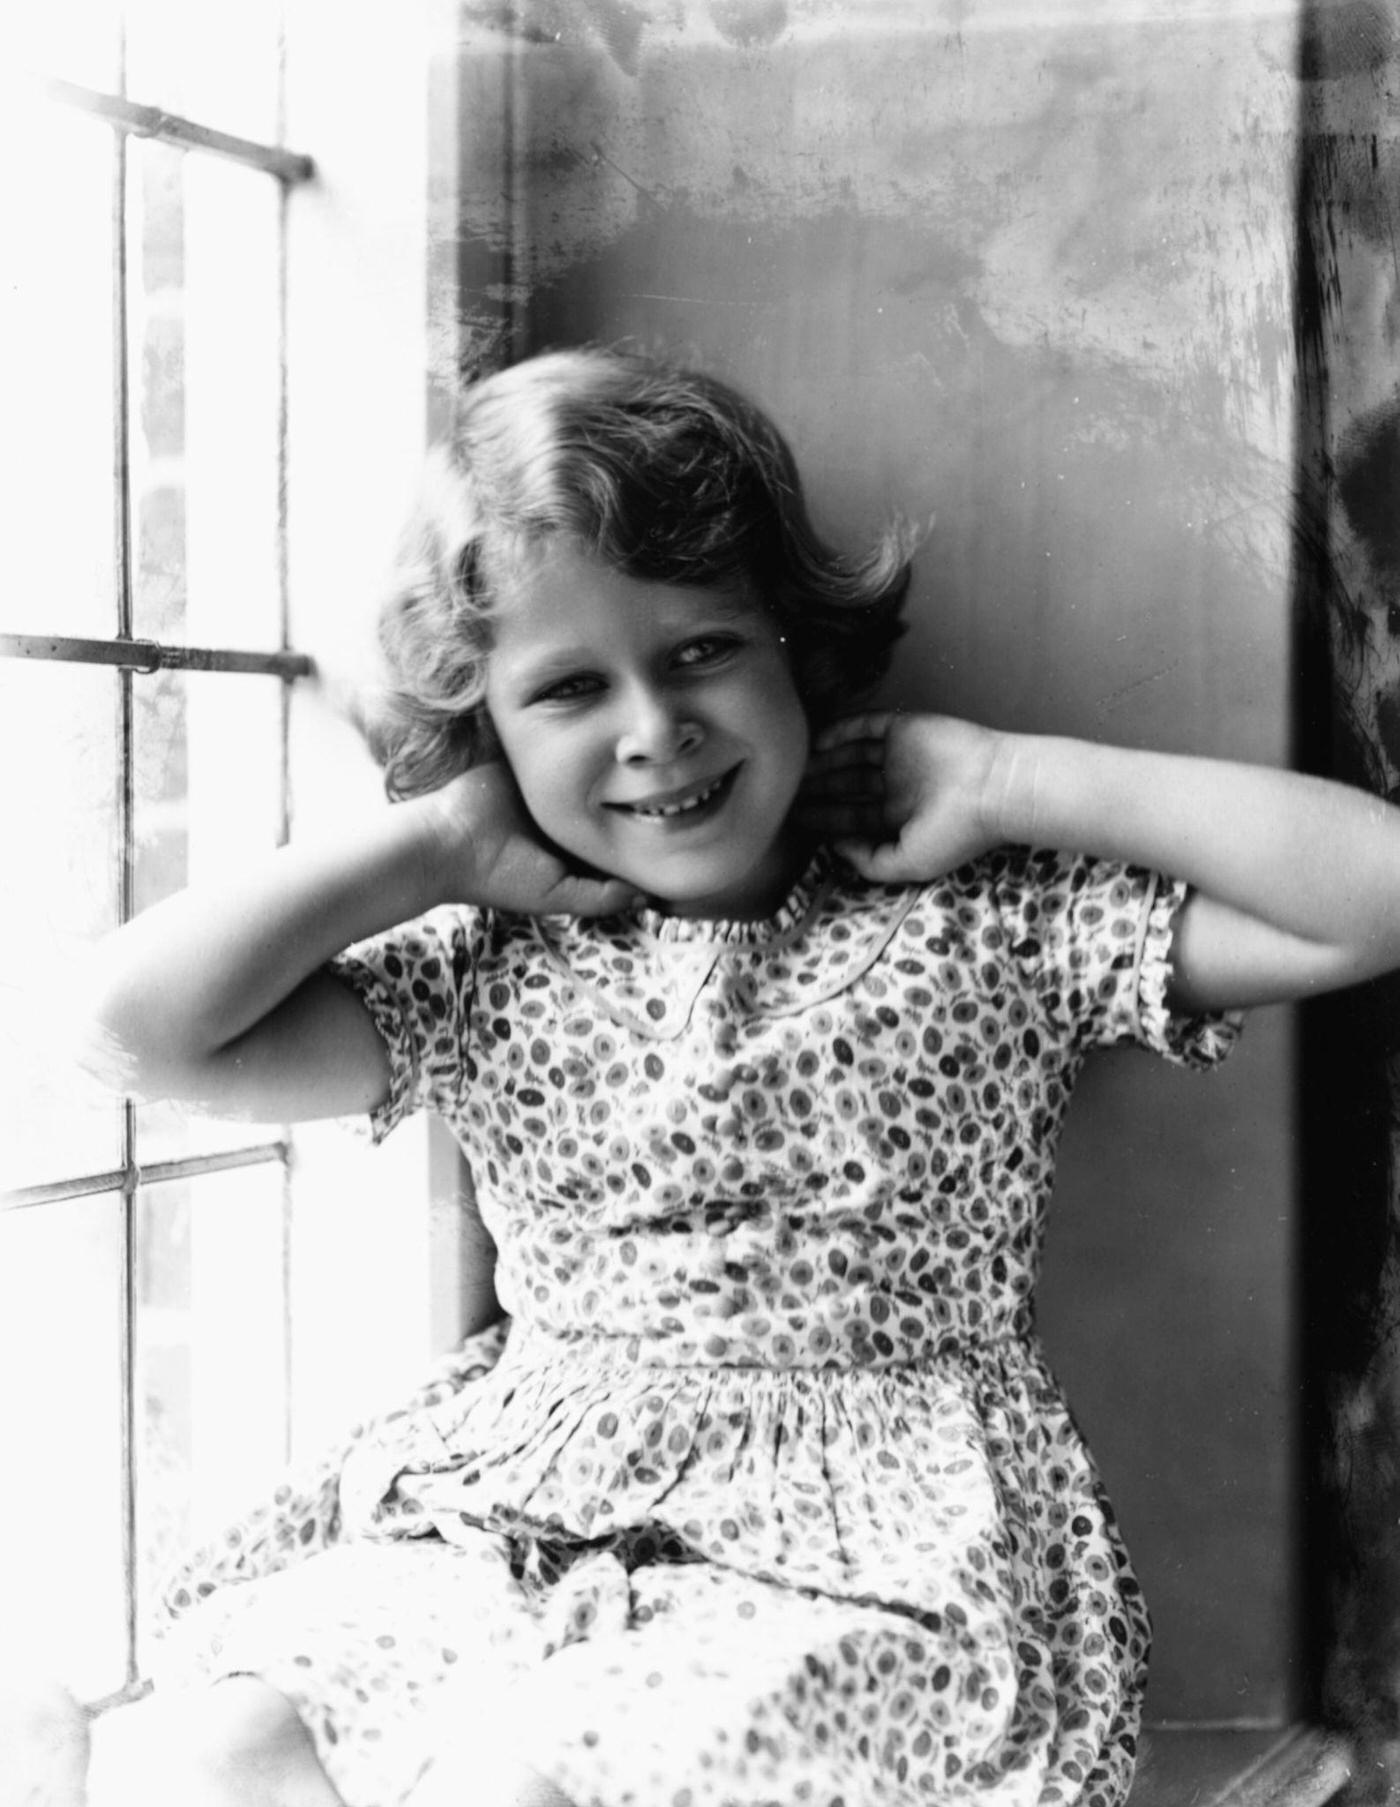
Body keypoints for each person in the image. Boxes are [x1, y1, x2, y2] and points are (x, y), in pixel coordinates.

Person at [54, 347, 1400, 1807]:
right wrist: (433, 845)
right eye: (570, 689)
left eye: (701, 650)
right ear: (492, 731)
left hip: (863, 1559)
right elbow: (129, 1034)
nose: (654, 728)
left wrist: (1011, 779)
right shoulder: (492, 959)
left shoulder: (980, 924)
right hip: (510, 1524)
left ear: (792, 649)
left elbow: (1375, 897)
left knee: (516, 1788)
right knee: (201, 1753)